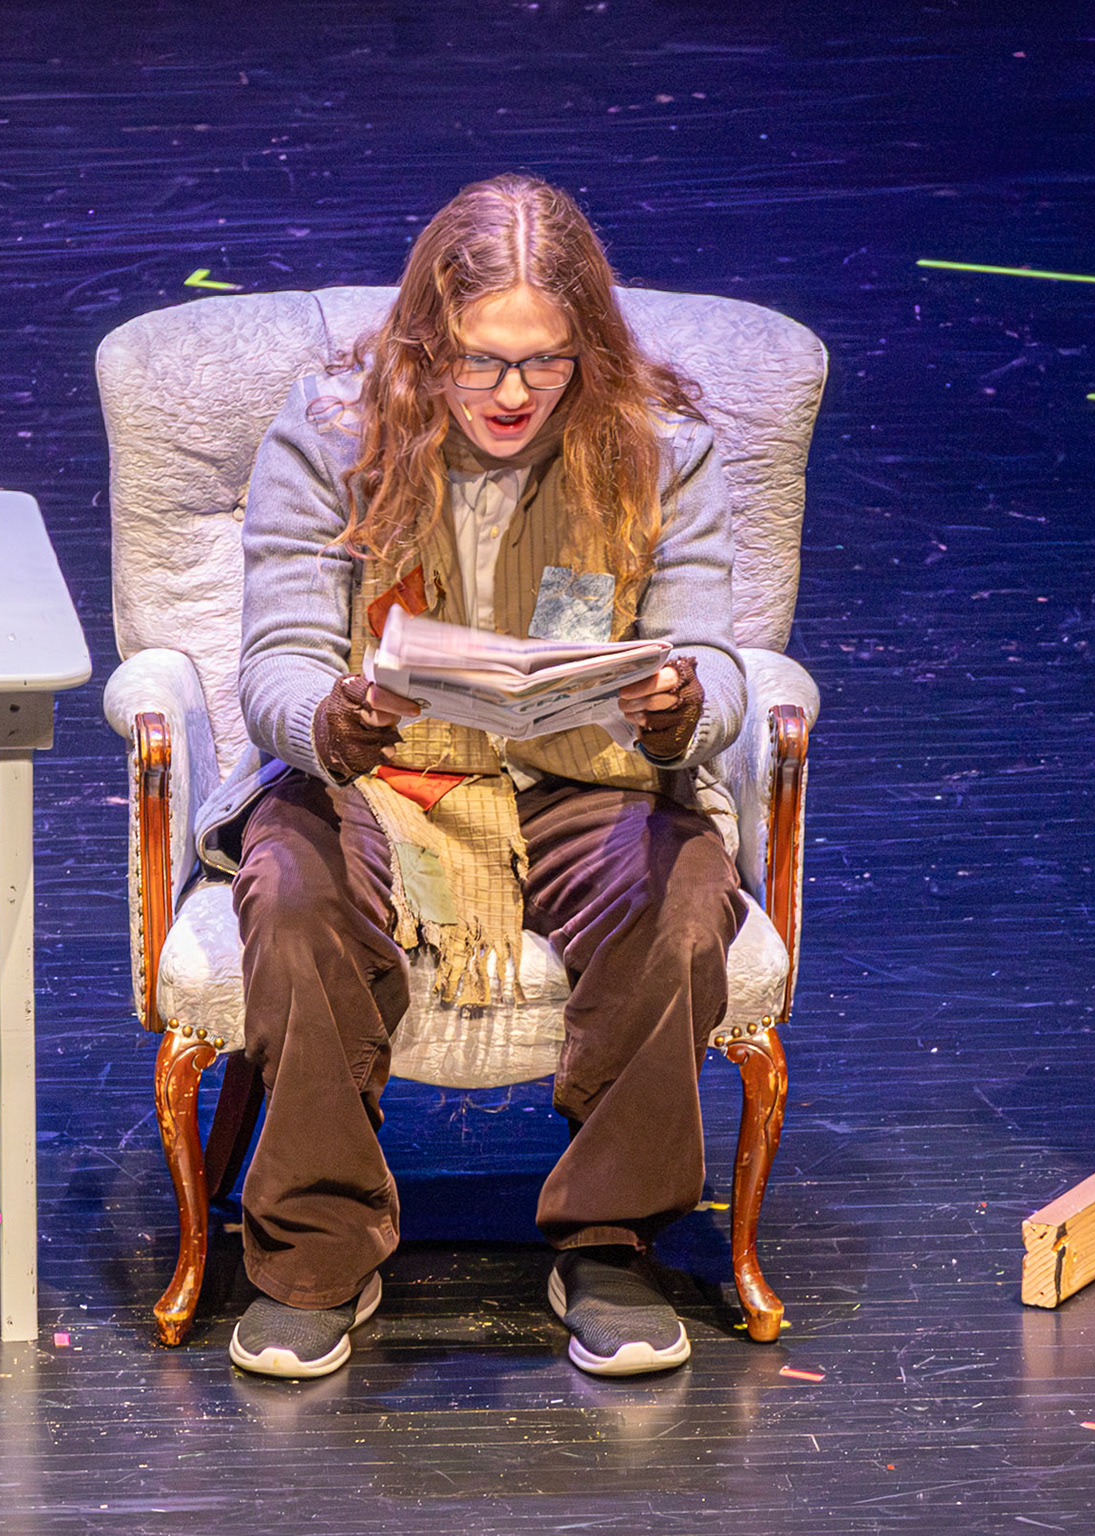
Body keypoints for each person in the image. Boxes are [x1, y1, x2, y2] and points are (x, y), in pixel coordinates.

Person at [192, 172, 748, 1379]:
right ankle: (317, 1251)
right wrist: (331, 719)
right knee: (292, 892)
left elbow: (712, 652)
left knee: (683, 897)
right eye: (480, 361)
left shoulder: (660, 453)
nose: (511, 393)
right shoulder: (333, 437)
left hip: (586, 771)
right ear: (425, 344)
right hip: (379, 774)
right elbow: (277, 654)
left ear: (588, 348)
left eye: (543, 362)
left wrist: (682, 705)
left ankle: (610, 1239)